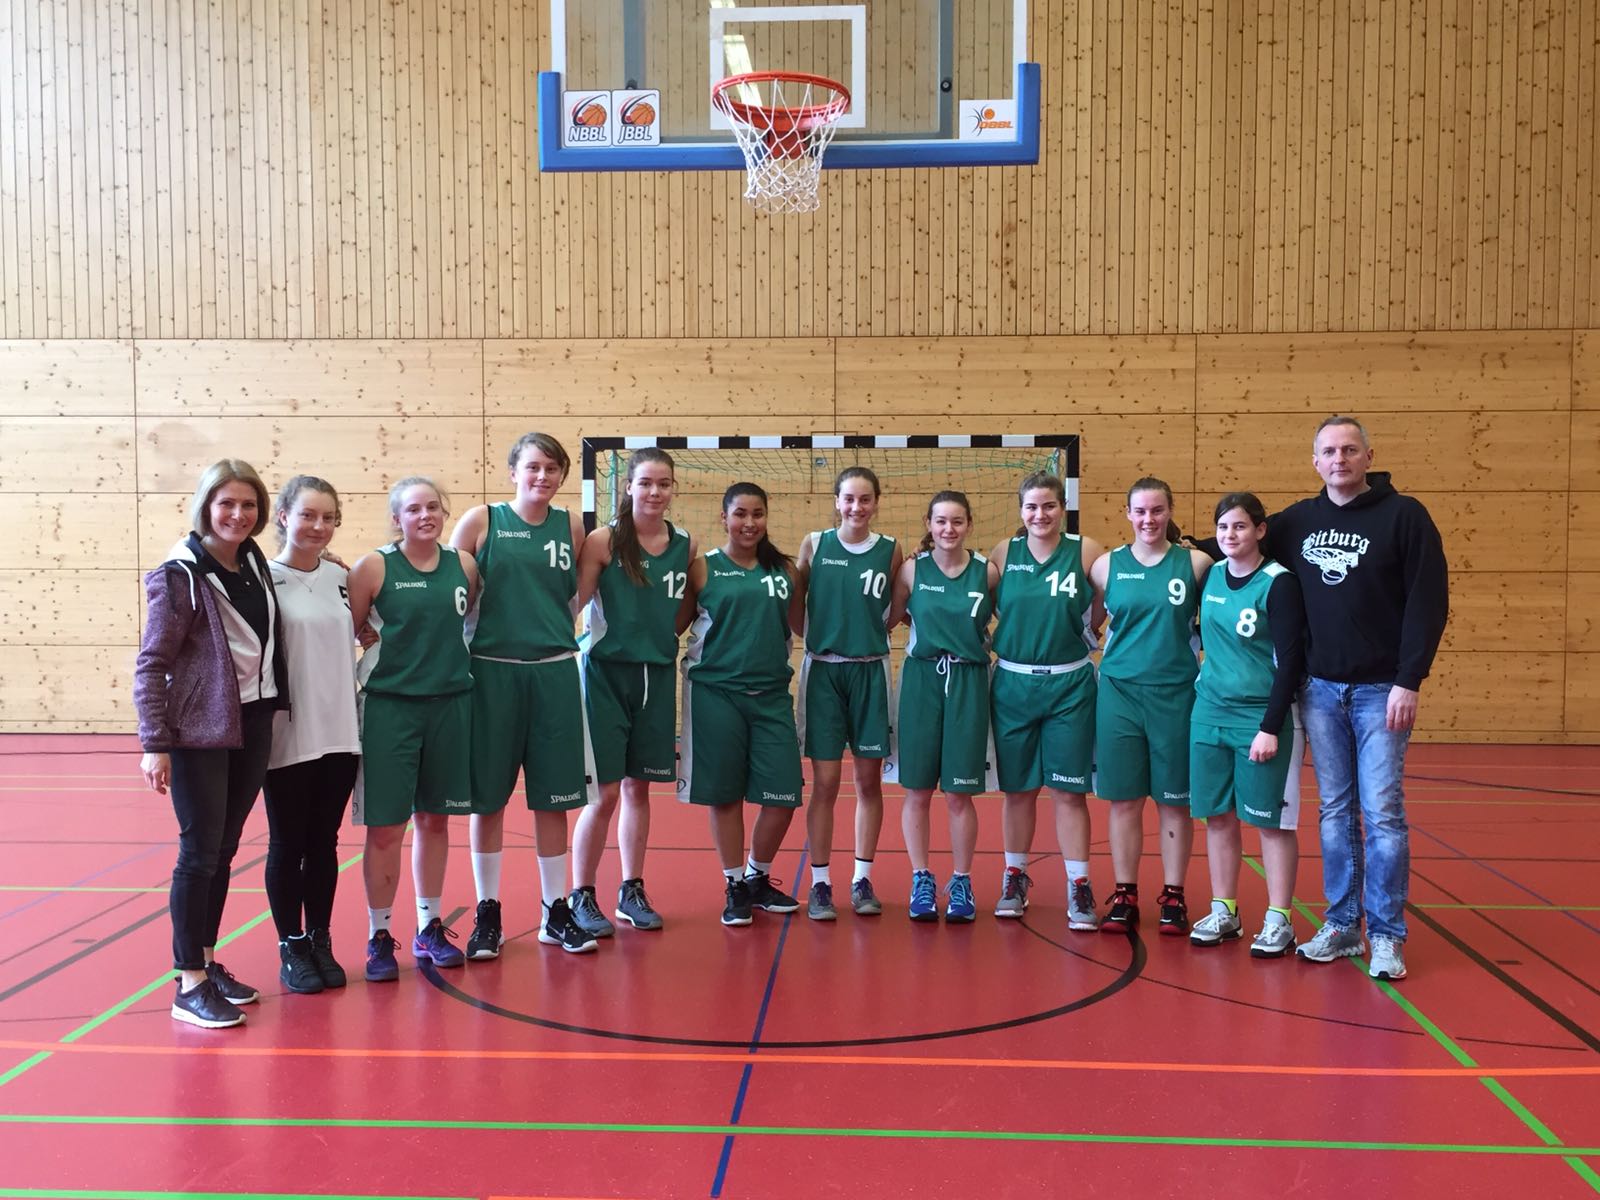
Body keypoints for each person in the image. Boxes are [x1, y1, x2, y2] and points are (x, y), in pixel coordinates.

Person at [1202, 416, 1447, 981]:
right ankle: (1341, 926)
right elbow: (1234, 541)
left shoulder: (1404, 517)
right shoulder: (1296, 523)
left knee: (1382, 812)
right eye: (1329, 452)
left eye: (1350, 450)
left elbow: (1428, 602)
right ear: (1315, 462)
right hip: (1318, 689)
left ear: (1367, 457)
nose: (1339, 459)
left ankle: (1385, 934)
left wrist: (1410, 679)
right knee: (1334, 811)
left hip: (1382, 690)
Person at [134, 459, 288, 1029]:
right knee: (199, 853)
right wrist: (156, 743)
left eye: (249, 505)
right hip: (199, 731)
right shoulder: (179, 575)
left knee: (223, 850)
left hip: (252, 722)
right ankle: (188, 981)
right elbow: (152, 663)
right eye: (227, 503)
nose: (238, 514)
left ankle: (206, 959)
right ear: (206, 506)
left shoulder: (252, 562)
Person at [450, 433, 598, 956]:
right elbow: (448, 590)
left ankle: (554, 912)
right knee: (486, 800)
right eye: (533, 467)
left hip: (554, 672)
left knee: (553, 799)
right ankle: (487, 910)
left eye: (552, 469)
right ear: (513, 471)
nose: (543, 477)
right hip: (490, 673)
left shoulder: (571, 526)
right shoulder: (481, 521)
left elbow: (574, 596)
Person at [346, 477, 479, 981]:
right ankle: (379, 934)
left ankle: (428, 926)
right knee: (386, 829)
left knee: (436, 822)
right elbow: (351, 633)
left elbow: (467, 626)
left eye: (433, 507)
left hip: (450, 706)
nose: (425, 515)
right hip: (389, 709)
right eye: (413, 509)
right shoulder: (375, 566)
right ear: (397, 518)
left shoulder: (463, 566)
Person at [571, 448, 696, 931]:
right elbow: (576, 604)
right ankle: (582, 893)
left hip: (656, 675)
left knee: (639, 788)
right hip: (606, 674)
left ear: (673, 489)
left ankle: (631, 889)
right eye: (645, 483)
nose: (654, 492)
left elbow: (684, 608)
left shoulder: (685, 543)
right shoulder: (605, 541)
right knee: (603, 794)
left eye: (663, 483)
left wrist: (663, 638)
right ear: (628, 487)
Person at [1088, 478, 1213, 934]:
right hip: (1119, 692)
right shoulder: (1105, 566)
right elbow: (1090, 620)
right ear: (1127, 514)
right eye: (1140, 511)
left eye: (1157, 510)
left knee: (1174, 802)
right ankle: (1124, 893)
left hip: (1177, 693)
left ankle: (1174, 895)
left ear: (1170, 511)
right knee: (1123, 801)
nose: (1148, 519)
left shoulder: (1196, 563)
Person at [1186, 493, 1307, 958]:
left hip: (1260, 716)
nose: (1230, 536)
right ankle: (1225, 910)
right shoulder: (1211, 575)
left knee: (1271, 823)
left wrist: (1270, 727)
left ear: (1259, 530)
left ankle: (1279, 918)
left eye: (1239, 527)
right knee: (1218, 817)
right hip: (1209, 711)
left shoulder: (1279, 584)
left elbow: (1291, 660)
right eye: (1222, 528)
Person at [679, 482, 803, 927]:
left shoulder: (786, 571)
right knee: (726, 795)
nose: (749, 523)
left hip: (771, 695)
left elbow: (804, 626)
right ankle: (734, 883)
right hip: (716, 694)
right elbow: (675, 626)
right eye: (740, 514)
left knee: (784, 794)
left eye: (757, 514)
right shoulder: (702, 569)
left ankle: (757, 875)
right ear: (724, 518)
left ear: (767, 518)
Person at [988, 472, 1105, 929]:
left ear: (1063, 508)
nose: (1040, 514)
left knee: (1068, 791)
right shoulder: (1004, 553)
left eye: (1049, 506)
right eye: (1032, 507)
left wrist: (1091, 626)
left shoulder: (1087, 550)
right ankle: (1014, 877)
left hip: (1069, 685)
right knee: (1018, 791)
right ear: (1021, 511)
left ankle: (1079, 885)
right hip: (1014, 683)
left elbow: (1111, 591)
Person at [262, 476, 362, 993]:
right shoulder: (262, 577)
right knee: (287, 844)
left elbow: (371, 632)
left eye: (328, 517)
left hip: (341, 732)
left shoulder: (344, 578)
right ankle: (291, 945)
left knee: (324, 843)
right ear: (283, 516)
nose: (318, 526)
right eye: (307, 515)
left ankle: (320, 939)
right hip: (286, 734)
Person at [790, 466, 901, 920]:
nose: (857, 507)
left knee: (869, 781)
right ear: (837, 501)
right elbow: (797, 608)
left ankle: (861, 877)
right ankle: (819, 883)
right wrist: (821, 639)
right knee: (827, 783)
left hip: (870, 672)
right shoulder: (815, 545)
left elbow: (895, 612)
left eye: (865, 499)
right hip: (824, 674)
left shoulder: (892, 551)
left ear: (876, 502)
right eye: (849, 499)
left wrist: (865, 637)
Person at [886, 490, 998, 923]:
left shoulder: (987, 572)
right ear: (929, 526)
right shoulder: (913, 569)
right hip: (921, 678)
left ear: (969, 524)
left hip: (969, 680)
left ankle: (963, 880)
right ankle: (921, 878)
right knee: (917, 790)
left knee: (958, 793)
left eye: (956, 521)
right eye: (940, 522)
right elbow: (894, 617)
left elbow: (1009, 616)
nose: (948, 529)